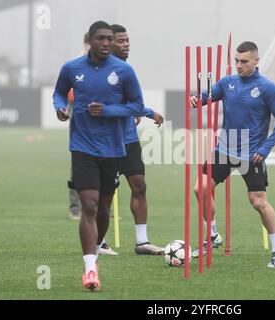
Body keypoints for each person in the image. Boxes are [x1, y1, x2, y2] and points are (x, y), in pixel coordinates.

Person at [53, 21, 151, 291]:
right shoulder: (72, 68)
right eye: (102, 39)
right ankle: (89, 269)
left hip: (114, 148)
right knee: (90, 206)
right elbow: (59, 93)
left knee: (104, 209)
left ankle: (94, 254)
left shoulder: (124, 71)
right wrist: (61, 108)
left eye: (110, 39)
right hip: (82, 147)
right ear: (91, 40)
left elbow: (137, 106)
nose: (107, 43)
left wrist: (108, 111)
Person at [190, 41, 275, 268]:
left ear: (256, 60)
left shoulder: (268, 88)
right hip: (223, 149)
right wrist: (196, 99)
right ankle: (213, 235)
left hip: (251, 154)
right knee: (201, 188)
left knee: (258, 202)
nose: (239, 65)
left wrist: (265, 148)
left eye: (244, 61)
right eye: (236, 61)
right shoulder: (228, 82)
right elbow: (208, 96)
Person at [99, 24, 164, 255]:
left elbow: (130, 100)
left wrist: (137, 111)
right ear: (108, 44)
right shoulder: (101, 71)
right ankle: (99, 242)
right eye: (121, 41)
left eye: (127, 40)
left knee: (140, 186)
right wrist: (147, 112)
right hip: (108, 141)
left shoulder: (126, 69)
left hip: (129, 140)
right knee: (106, 193)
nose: (126, 45)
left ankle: (142, 242)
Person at [67, 32, 90, 221]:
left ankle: (102, 207)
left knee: (106, 163)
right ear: (87, 44)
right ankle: (75, 207)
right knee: (78, 164)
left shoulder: (109, 65)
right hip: (80, 122)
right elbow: (68, 94)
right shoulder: (75, 65)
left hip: (102, 125)